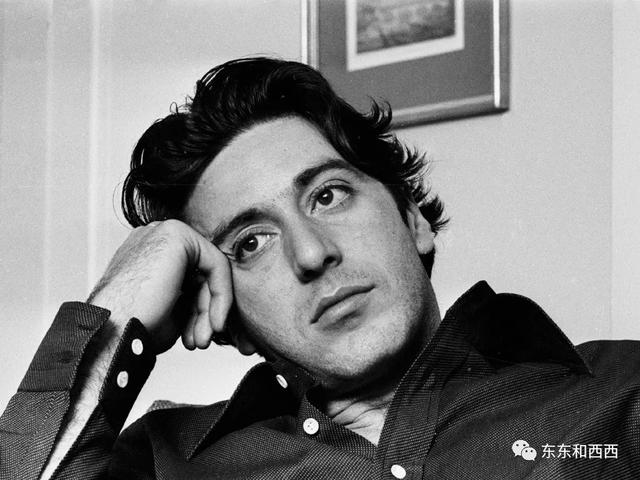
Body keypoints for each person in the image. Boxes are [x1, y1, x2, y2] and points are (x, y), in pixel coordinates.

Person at [1, 57, 639, 480]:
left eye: (328, 195)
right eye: (251, 242)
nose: (311, 253)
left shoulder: (620, 398)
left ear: (412, 218)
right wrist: (117, 310)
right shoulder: (162, 462)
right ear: (225, 314)